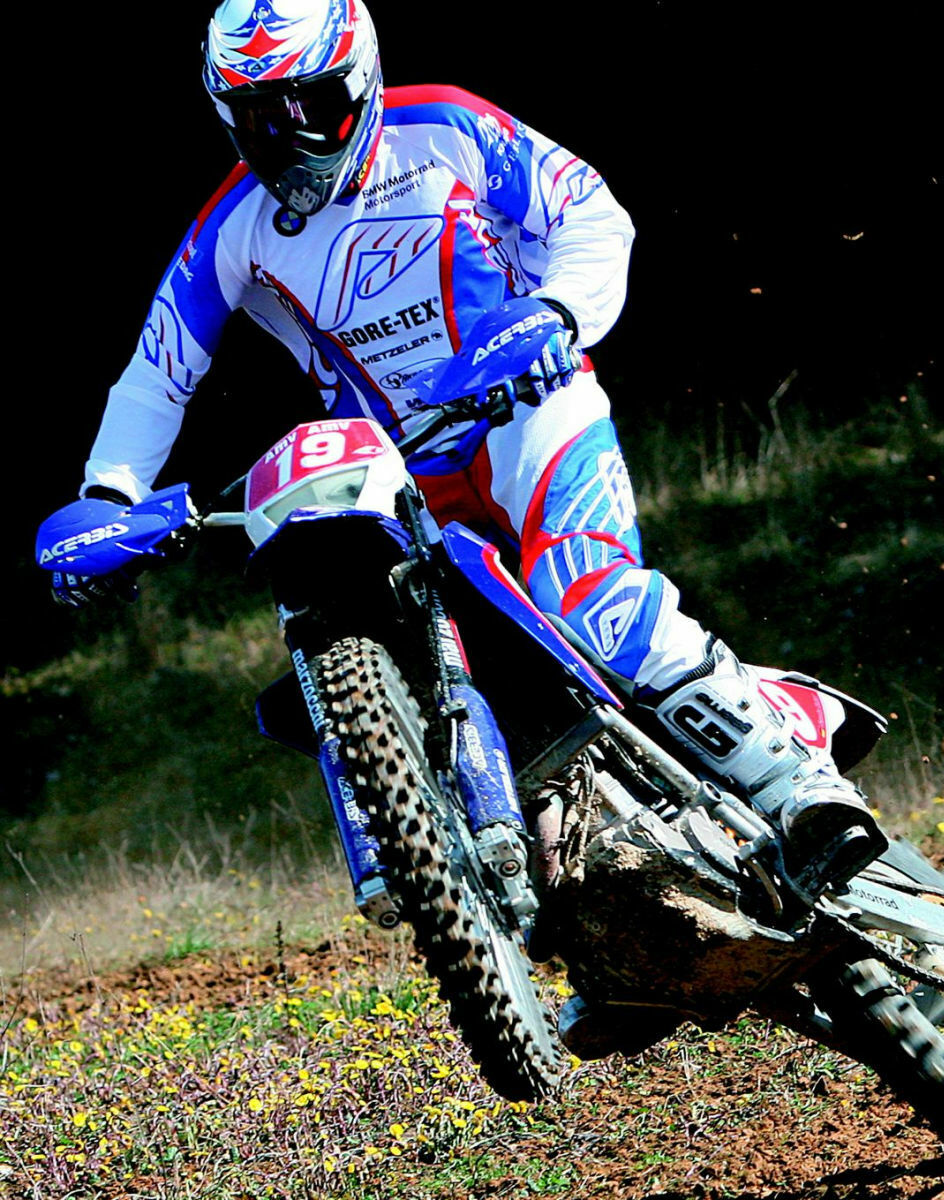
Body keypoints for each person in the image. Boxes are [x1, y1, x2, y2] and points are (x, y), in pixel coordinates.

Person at [39, 0, 884, 1044]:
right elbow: (154, 377)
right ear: (226, 116)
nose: (290, 139)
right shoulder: (230, 229)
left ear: (361, 76)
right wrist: (109, 500)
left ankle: (799, 786)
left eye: (311, 106)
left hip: (530, 406)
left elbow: (592, 216)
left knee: (591, 598)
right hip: (399, 475)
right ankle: (605, 940)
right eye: (260, 118)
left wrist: (556, 312)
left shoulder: (445, 125)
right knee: (448, 690)